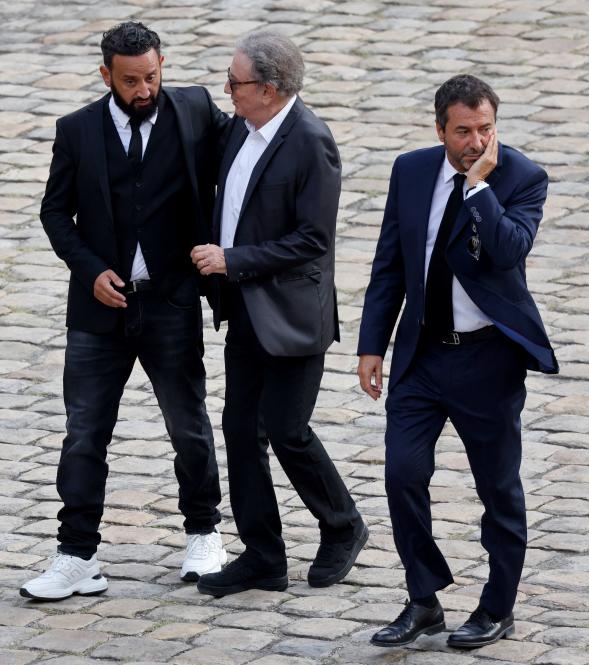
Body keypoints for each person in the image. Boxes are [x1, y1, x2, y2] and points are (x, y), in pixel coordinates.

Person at [22, 21, 228, 601]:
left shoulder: (194, 110)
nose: (144, 90)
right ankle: (76, 555)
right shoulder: (77, 131)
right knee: (84, 434)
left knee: (188, 425)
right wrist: (90, 271)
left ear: (163, 64)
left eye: (152, 76)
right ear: (106, 74)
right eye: (131, 80)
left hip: (170, 302)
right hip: (98, 313)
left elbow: (247, 157)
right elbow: (55, 214)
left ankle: (204, 533)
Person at [358, 74, 557, 649]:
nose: (476, 142)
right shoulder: (411, 170)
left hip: (487, 361)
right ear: (440, 128)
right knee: (401, 475)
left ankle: (498, 608)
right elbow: (390, 264)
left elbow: (508, 250)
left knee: (498, 489)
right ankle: (423, 600)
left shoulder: (521, 177)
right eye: (464, 131)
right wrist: (373, 344)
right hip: (420, 357)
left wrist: (477, 188)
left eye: (486, 130)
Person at [191, 30, 366, 599]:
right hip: (244, 310)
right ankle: (263, 556)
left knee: (288, 431)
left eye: (235, 82)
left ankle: (342, 525)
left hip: (292, 316)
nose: (227, 90)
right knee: (242, 431)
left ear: (267, 88)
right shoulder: (242, 129)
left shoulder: (311, 141)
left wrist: (232, 260)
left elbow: (313, 239)